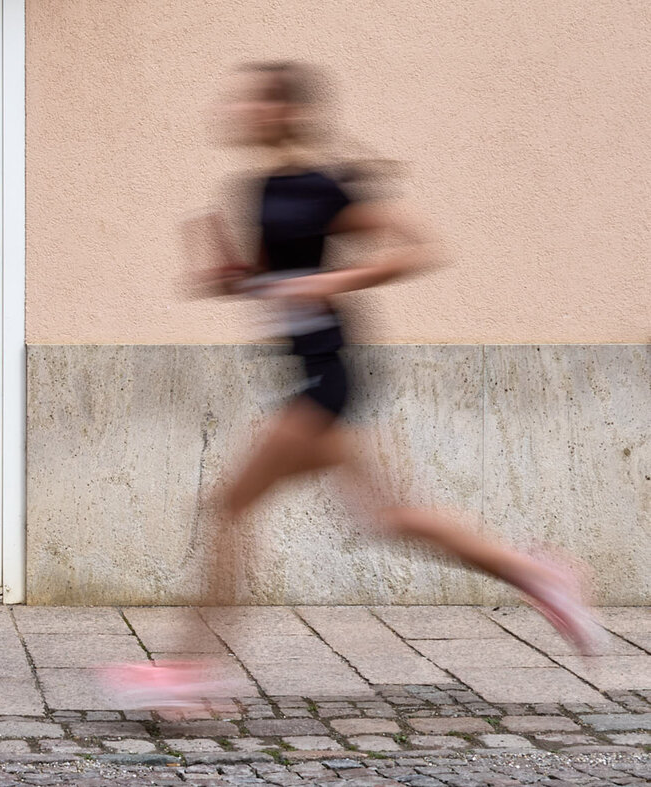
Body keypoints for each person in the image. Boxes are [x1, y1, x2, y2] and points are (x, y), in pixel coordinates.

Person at [104, 62, 603, 712]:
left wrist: (329, 284)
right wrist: (230, 275)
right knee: (390, 516)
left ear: (284, 110)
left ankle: (195, 672)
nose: (239, 109)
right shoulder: (256, 190)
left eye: (253, 99)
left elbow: (418, 248)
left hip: (326, 373)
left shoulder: (324, 185)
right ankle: (540, 573)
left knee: (229, 505)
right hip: (308, 373)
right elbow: (270, 276)